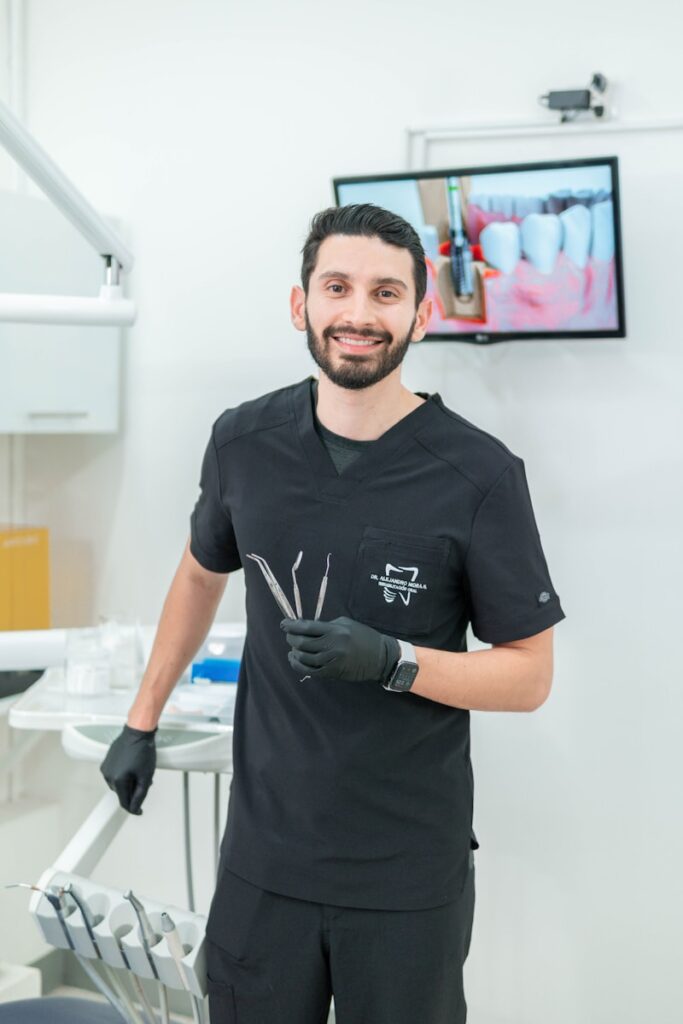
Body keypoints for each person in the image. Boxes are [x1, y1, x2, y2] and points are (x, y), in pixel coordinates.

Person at [101, 203, 565, 1024]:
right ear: (300, 305)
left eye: (386, 294)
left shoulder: (478, 474)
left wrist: (395, 660)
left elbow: (528, 675)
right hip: (262, 866)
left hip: (403, 877)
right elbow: (200, 574)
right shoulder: (243, 442)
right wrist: (141, 720)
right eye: (337, 288)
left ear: (421, 315)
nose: (358, 314)